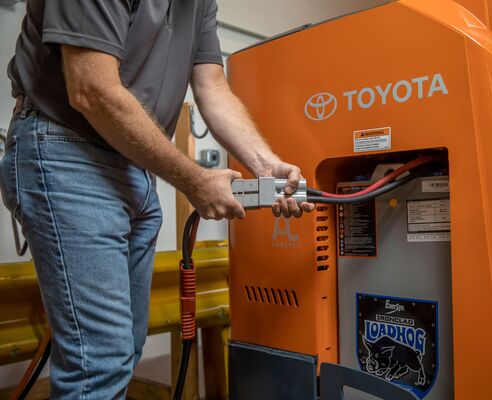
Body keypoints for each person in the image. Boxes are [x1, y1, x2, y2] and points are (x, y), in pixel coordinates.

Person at [0, 1, 314, 398]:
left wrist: (266, 165)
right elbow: (91, 89)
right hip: (68, 150)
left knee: (122, 351)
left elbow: (212, 87)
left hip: (132, 167)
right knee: (98, 363)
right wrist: (194, 179)